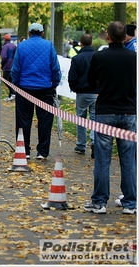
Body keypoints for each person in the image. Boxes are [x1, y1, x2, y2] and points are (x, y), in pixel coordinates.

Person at [84, 21, 136, 214]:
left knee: (102, 159)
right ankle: (130, 203)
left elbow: (90, 80)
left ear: (108, 36)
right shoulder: (134, 58)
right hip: (128, 112)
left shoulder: (99, 56)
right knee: (129, 159)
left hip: (105, 111)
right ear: (125, 37)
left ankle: (99, 202)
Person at [11, 22, 61, 160]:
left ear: (28, 33)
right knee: (45, 120)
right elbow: (55, 68)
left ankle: (24, 149)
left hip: (24, 88)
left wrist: (16, 84)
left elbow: (15, 69)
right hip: (45, 89)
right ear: (42, 33)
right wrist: (54, 84)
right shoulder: (49, 45)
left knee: (23, 120)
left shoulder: (21, 46)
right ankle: (42, 152)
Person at [68, 34, 97, 158]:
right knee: (95, 119)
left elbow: (72, 77)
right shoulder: (98, 57)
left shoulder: (77, 58)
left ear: (81, 43)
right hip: (96, 92)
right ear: (91, 43)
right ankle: (95, 141)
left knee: (81, 119)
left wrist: (75, 88)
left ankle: (81, 145)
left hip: (82, 92)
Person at [0, 34, 17, 101]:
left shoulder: (5, 47)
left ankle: (13, 93)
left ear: (4, 39)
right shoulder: (14, 46)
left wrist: (2, 64)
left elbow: (4, 57)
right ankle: (11, 96)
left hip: (7, 66)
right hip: (13, 66)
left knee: (6, 81)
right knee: (10, 81)